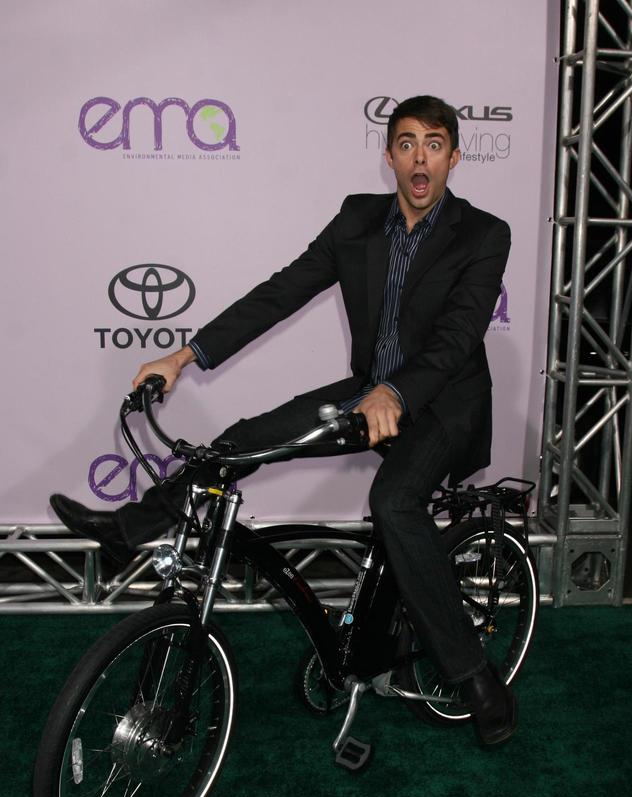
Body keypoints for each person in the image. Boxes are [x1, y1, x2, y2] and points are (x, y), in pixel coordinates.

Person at [51, 95, 516, 746]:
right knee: (243, 441)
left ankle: (474, 677)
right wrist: (186, 354)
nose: (420, 157)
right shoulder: (358, 221)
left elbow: (457, 339)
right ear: (388, 157)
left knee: (395, 502)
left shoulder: (484, 234)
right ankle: (133, 527)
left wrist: (396, 395)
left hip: (444, 403)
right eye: (406, 143)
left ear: (454, 157)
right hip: (367, 395)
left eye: (434, 144)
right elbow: (283, 290)